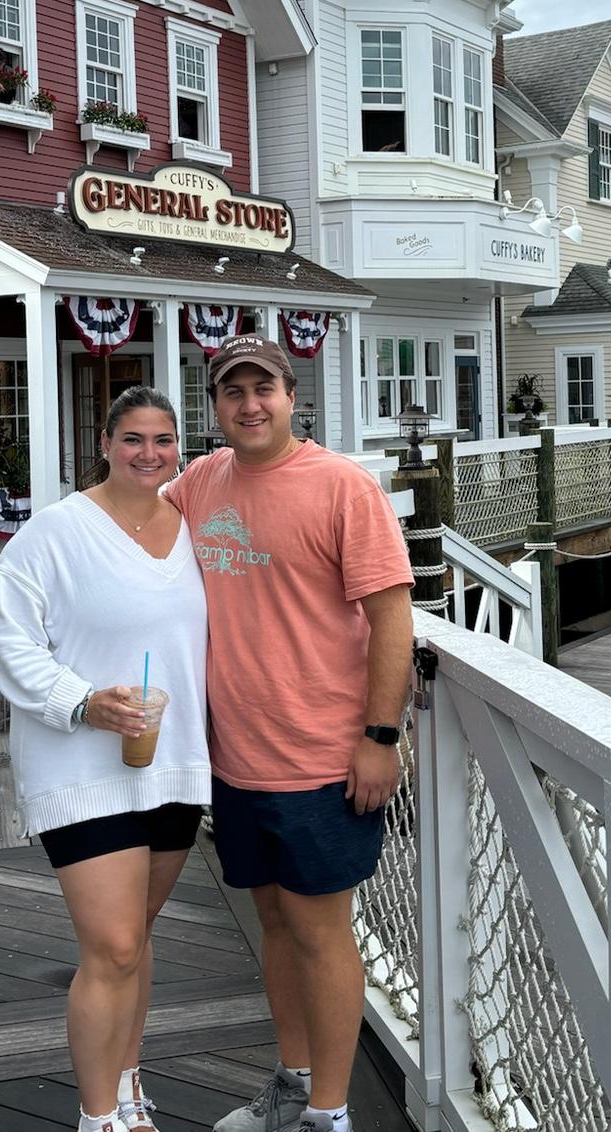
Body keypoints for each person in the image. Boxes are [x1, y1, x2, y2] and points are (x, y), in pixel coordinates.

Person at [164, 334, 415, 1132]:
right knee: (273, 922)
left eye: (262, 389)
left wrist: (380, 736)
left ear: (291, 397)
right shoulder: (199, 483)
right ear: (214, 406)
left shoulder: (342, 486)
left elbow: (392, 619)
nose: (250, 405)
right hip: (237, 758)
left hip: (322, 760)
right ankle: (295, 1082)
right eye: (233, 392)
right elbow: (130, 530)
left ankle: (330, 1115)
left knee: (319, 931)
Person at [0, 386, 209, 1132]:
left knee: (134, 940)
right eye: (133, 438)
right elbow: (3, 643)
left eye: (163, 440)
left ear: (179, 450)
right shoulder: (54, 534)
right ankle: (98, 1115)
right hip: (80, 769)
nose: (149, 453)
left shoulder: (194, 529)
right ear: (104, 445)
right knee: (111, 946)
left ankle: (128, 1078)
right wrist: (82, 702)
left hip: (172, 764)